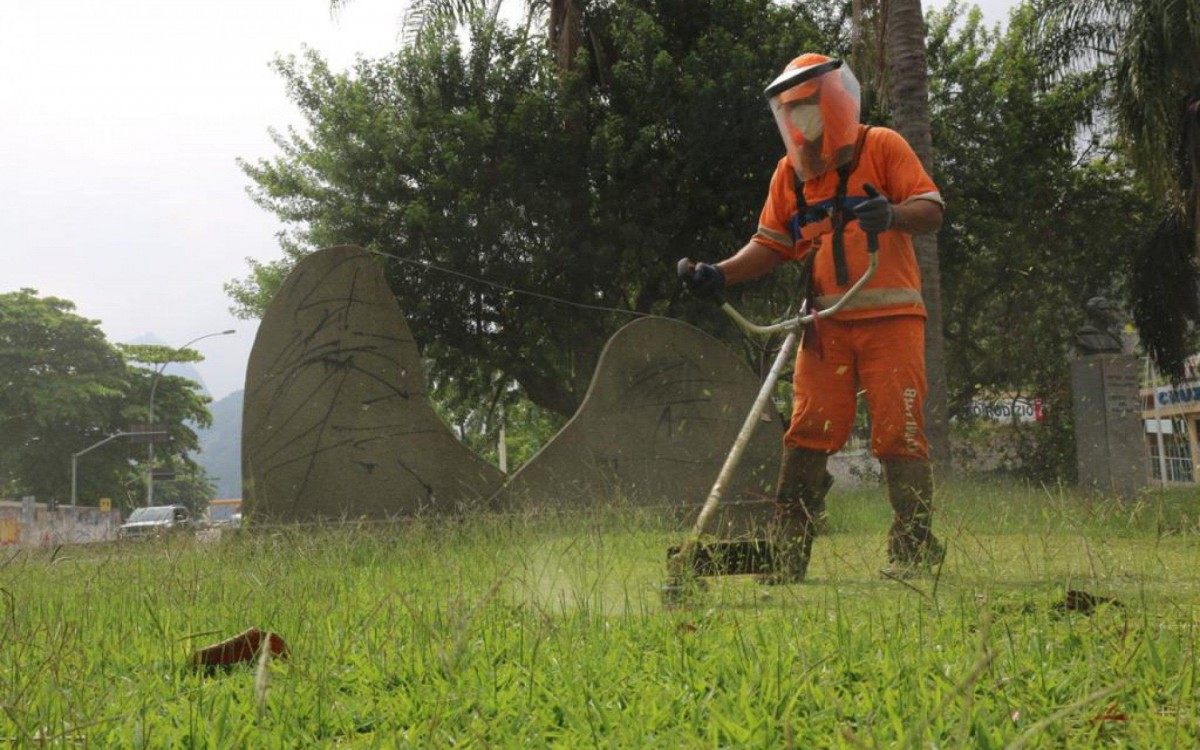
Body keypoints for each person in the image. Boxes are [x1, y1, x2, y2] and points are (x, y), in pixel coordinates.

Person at [682, 54, 946, 582]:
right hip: (823, 326)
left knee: (900, 432)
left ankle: (913, 547)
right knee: (807, 433)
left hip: (891, 318)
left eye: (806, 109)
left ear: (833, 103)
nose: (798, 122)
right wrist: (720, 274)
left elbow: (932, 208)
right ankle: (788, 556)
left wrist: (892, 214)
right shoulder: (791, 174)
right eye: (790, 113)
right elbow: (770, 244)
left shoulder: (883, 146)